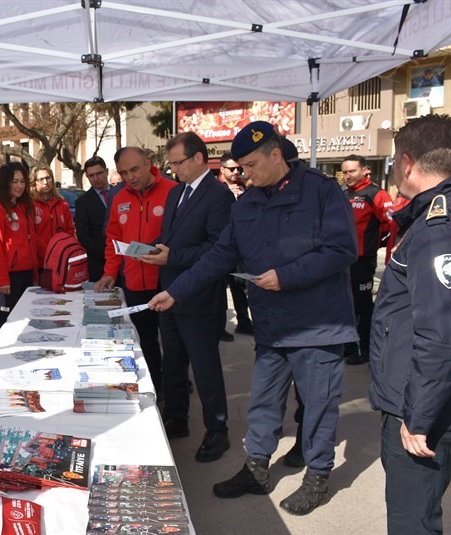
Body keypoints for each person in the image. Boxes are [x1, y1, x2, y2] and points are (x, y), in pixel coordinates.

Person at [149, 120, 358, 516]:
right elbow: (217, 257)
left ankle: (317, 476)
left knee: (317, 405)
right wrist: (175, 291)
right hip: (272, 325)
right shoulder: (246, 203)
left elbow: (342, 249)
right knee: (263, 403)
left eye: (251, 165)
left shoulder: (320, 191)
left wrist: (287, 275)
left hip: (317, 324)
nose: (245, 174)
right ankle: (257, 469)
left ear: (276, 154)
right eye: (240, 166)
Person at [368, 113, 451, 535]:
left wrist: (417, 416)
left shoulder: (436, 228)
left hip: (423, 407)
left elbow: (440, 334)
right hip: (427, 396)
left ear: (406, 162)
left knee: (411, 520)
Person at [139, 133, 233, 460]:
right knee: (173, 362)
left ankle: (218, 430)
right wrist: (153, 249)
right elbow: (172, 238)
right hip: (170, 293)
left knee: (204, 367)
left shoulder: (219, 195)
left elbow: (218, 251)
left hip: (199, 297)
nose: (174, 169)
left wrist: (173, 256)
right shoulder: (177, 191)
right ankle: (177, 418)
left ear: (198, 158)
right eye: (171, 164)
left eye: (179, 163)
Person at [95, 147, 178, 391]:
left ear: (148, 164)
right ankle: (156, 388)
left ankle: (177, 396)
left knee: (174, 346)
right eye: (123, 173)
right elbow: (113, 239)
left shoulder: (172, 191)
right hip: (134, 284)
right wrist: (110, 272)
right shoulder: (119, 197)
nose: (130, 177)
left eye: (134, 169)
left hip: (167, 283)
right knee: (146, 342)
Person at [341, 154, 393, 365]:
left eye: (352, 171)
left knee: (362, 307)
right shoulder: (343, 195)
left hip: (363, 262)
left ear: (365, 170)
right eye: (344, 172)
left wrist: (374, 245)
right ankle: (349, 346)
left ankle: (364, 349)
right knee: (345, 305)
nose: (348, 176)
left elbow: (391, 227)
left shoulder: (377, 195)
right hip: (342, 262)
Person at [0, 162, 38, 325]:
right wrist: (2, 279)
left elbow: (31, 241)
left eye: (22, 181)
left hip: (27, 273)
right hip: (8, 277)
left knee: (25, 321)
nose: (19, 186)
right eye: (15, 181)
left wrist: (34, 273)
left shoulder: (24, 206)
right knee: (7, 320)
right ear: (5, 182)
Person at [219, 151, 254, 337]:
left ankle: (244, 322)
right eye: (232, 169)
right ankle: (219, 326)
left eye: (239, 169)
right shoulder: (216, 189)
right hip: (222, 245)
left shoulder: (245, 188)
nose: (236, 172)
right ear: (222, 169)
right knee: (219, 288)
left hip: (242, 246)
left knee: (240, 284)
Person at [31, 165, 75, 268]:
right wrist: (48, 252)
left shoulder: (62, 203)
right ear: (34, 182)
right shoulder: (30, 205)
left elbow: (70, 229)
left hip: (61, 258)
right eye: (41, 179)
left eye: (48, 178)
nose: (45, 182)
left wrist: (65, 250)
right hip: (40, 261)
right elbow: (32, 234)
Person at [75, 156, 110, 281]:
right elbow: (83, 236)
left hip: (126, 261)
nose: (95, 178)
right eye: (91, 175)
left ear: (107, 171)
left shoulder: (120, 194)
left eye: (99, 173)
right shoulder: (82, 202)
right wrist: (106, 253)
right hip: (99, 263)